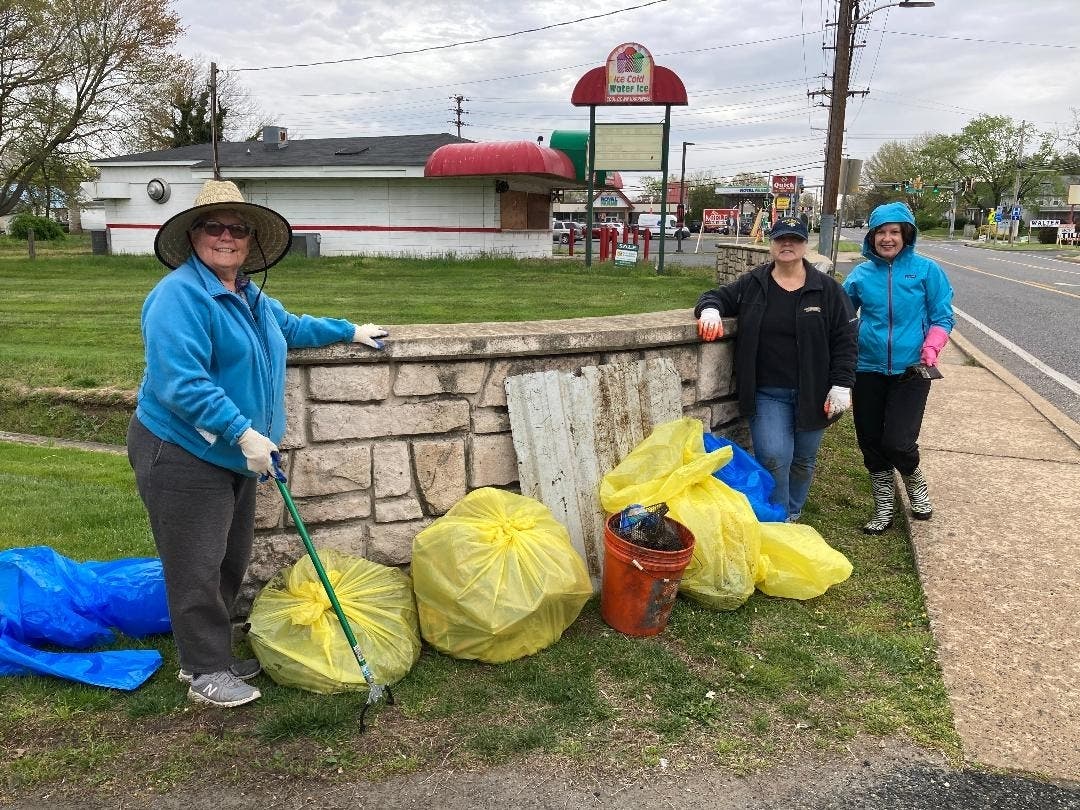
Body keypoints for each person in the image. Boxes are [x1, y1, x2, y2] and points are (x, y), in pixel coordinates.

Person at [126, 179, 388, 707]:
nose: (227, 237)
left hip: (237, 453)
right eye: (214, 227)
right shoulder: (179, 298)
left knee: (229, 558)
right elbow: (182, 384)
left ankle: (211, 654)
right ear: (194, 235)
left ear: (249, 241)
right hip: (181, 450)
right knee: (195, 564)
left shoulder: (247, 294)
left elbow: (289, 327)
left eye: (238, 229)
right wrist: (243, 432)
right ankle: (203, 672)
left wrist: (348, 329)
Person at [695, 217, 858, 522]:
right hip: (768, 392)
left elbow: (846, 340)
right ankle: (778, 518)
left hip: (815, 391)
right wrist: (710, 310)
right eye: (780, 238)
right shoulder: (754, 283)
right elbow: (715, 296)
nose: (787, 244)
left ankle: (793, 512)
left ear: (804, 245)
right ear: (771, 244)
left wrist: (842, 384)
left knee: (803, 459)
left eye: (794, 239)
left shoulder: (827, 290)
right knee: (773, 457)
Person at [842, 201, 954, 534]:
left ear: (906, 234)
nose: (887, 238)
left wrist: (930, 347)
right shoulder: (861, 275)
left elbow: (943, 316)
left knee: (899, 442)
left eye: (894, 231)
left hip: (913, 369)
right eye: (881, 232)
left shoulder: (926, 271)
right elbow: (843, 317)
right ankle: (884, 506)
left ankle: (914, 482)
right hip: (867, 368)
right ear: (872, 236)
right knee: (871, 441)